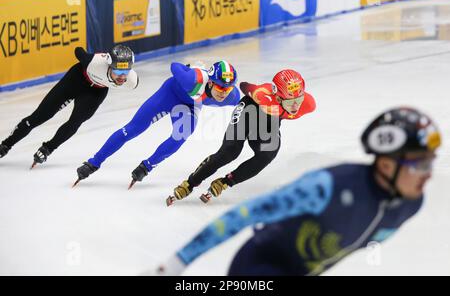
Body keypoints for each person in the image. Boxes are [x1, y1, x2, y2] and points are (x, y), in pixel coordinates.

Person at [154, 107, 441, 276]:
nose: (428, 176)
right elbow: (242, 215)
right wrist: (175, 265)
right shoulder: (328, 186)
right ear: (388, 164)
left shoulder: (409, 204)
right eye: (420, 164)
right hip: (258, 267)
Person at [74, 61, 241, 188]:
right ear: (210, 83)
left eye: (227, 89)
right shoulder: (192, 79)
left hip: (188, 106)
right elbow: (174, 66)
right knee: (132, 129)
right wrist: (188, 67)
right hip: (169, 93)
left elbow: (245, 103)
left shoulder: (232, 96)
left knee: (181, 136)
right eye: (220, 88)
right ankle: (93, 162)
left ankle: (146, 167)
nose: (223, 94)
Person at [167, 69, 316, 205]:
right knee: (230, 151)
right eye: (290, 101)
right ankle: (191, 182)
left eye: (299, 100)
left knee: (268, 153)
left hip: (268, 122)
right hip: (249, 110)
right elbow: (245, 86)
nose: (296, 106)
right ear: (277, 97)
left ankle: (226, 181)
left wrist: (292, 103)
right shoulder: (262, 94)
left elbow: (295, 104)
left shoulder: (308, 104)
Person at [0, 45, 138, 168]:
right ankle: (6, 145)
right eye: (118, 72)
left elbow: (128, 77)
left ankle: (48, 148)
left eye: (125, 72)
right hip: (76, 79)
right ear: (109, 65)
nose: (122, 77)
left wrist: (48, 148)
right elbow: (78, 51)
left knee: (75, 122)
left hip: (96, 91)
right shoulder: (94, 62)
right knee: (40, 116)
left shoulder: (131, 80)